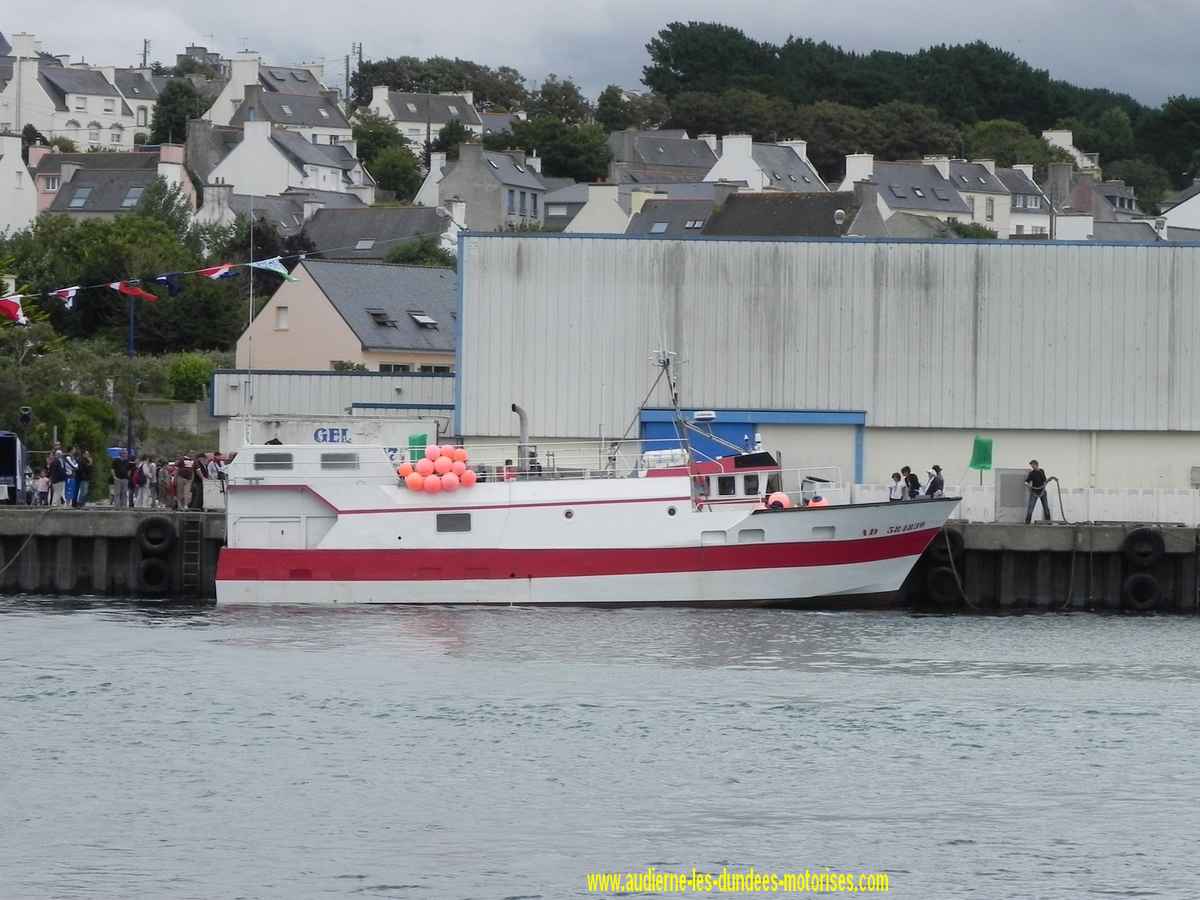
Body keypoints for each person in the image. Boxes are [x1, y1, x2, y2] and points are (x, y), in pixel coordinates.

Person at [1024, 459, 1051, 523]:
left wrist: (1048, 481)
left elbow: (1044, 480)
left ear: (1036, 465)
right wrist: (1027, 484)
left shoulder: (1041, 471)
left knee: (1046, 507)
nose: (1032, 466)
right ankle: (1027, 522)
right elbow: (1026, 481)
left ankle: (1049, 522)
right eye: (1031, 465)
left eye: (1033, 465)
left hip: (1042, 491)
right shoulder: (1031, 473)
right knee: (1030, 507)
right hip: (1034, 492)